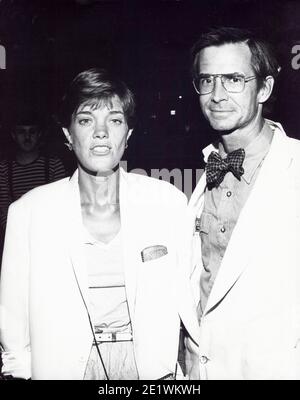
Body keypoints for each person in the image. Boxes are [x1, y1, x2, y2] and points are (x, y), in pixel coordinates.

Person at [0, 68, 199, 380]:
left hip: (149, 369)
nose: (101, 132)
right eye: (86, 120)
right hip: (63, 368)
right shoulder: (28, 212)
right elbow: (12, 320)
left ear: (128, 134)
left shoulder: (167, 203)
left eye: (115, 120)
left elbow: (190, 299)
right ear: (68, 135)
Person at [187, 27, 300, 379]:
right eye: (207, 81)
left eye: (234, 79)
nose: (217, 95)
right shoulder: (205, 177)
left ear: (264, 88)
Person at [0, 119, 66, 235]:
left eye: (32, 132)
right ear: (13, 135)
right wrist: (16, 234)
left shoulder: (53, 164)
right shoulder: (4, 168)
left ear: (39, 134)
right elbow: (4, 209)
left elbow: (60, 205)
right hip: (17, 234)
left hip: (49, 231)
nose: (27, 137)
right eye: (21, 132)